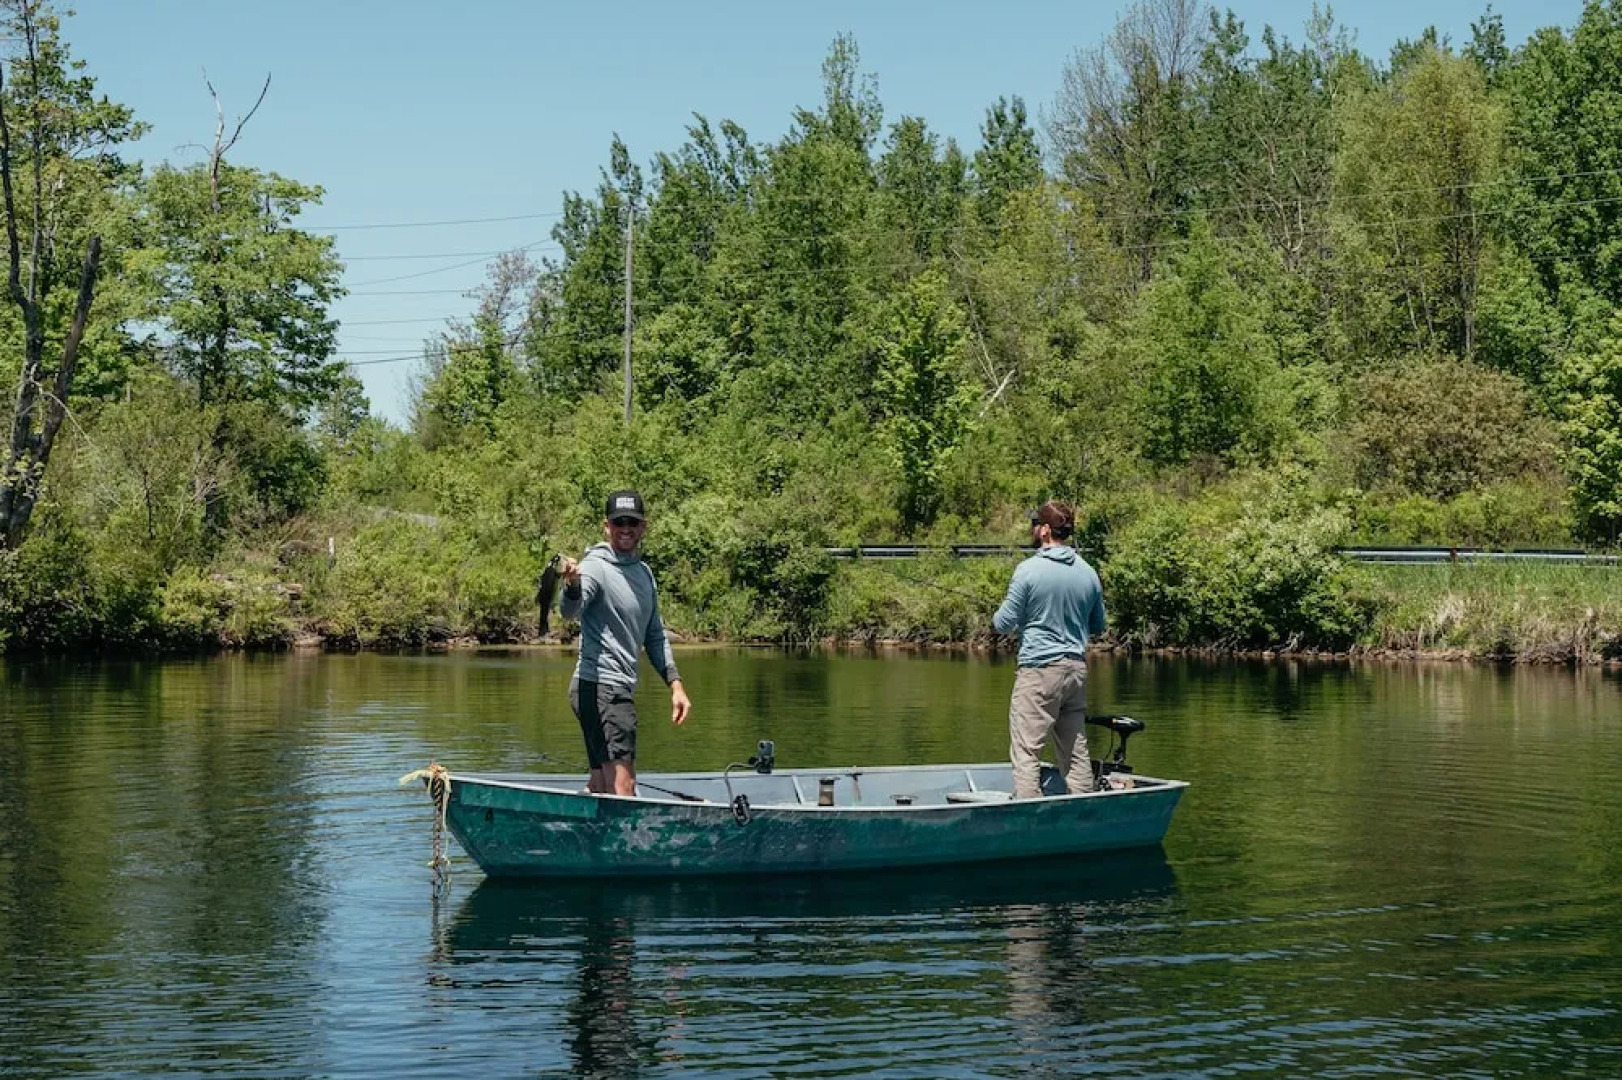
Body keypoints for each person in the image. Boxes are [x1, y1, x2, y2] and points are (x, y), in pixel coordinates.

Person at [558, 490, 691, 796]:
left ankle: (593, 841)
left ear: (643, 526)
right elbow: (569, 612)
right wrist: (572, 585)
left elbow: (655, 635)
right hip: (602, 687)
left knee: (601, 783)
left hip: (607, 688)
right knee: (623, 786)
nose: (626, 528)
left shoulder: (644, 574)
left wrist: (676, 685)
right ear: (607, 526)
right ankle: (624, 843)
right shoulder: (595, 566)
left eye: (632, 521)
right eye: (619, 522)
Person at [992, 500, 1107, 798]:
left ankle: (1029, 816)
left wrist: (1022, 618)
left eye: (1035, 524)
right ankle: (1084, 808)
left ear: (1044, 531)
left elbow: (1003, 623)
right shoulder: (1088, 572)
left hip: (1040, 672)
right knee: (1075, 749)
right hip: (1075, 672)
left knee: (1027, 748)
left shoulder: (1027, 571)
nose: (1032, 529)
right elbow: (1098, 625)